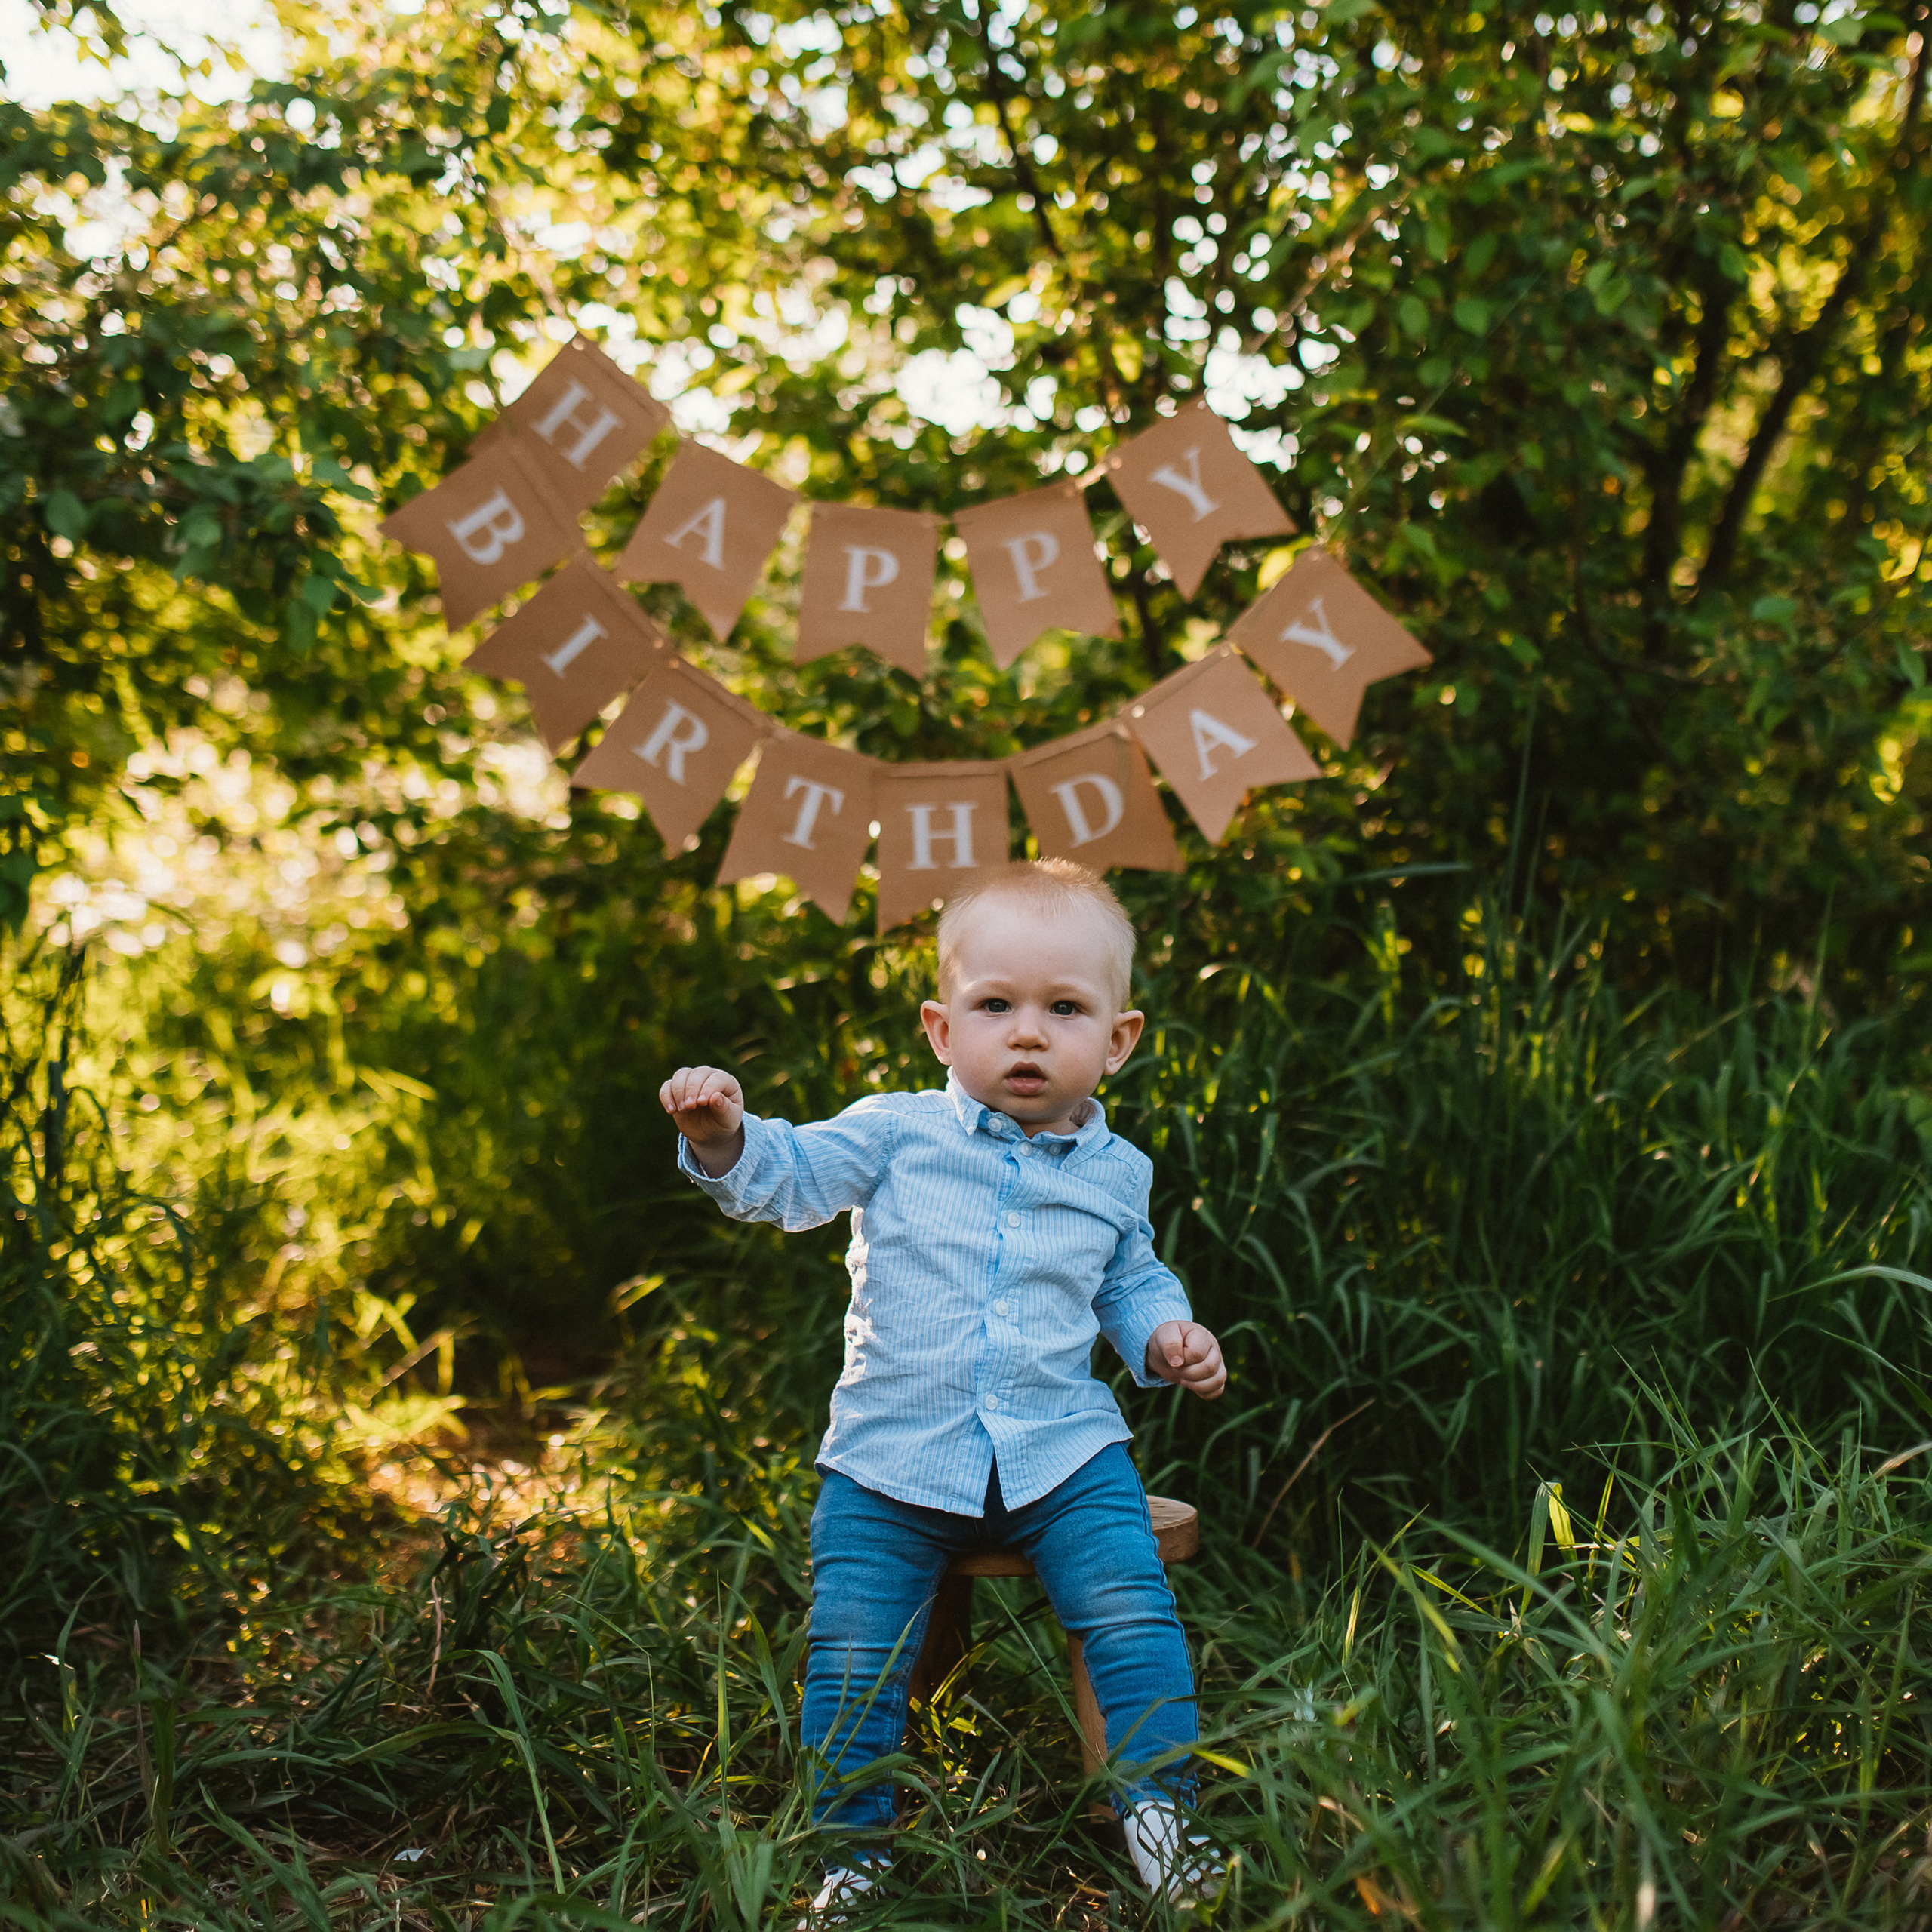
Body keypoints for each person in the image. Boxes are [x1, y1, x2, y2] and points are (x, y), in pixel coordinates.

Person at [660, 858, 1226, 1915]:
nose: (1025, 1033)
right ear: (939, 1028)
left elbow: (1132, 1277)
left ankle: (1160, 1815)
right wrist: (725, 1137)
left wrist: (1167, 1336)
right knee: (857, 1648)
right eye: (995, 1005)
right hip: (893, 1457)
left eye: (1064, 1009)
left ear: (1117, 1039)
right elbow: (787, 1175)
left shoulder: (1118, 1173)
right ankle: (853, 1852)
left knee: (1129, 1609)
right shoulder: (895, 1134)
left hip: (1062, 1452)